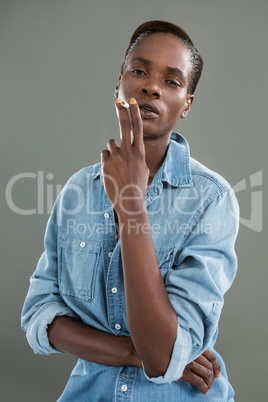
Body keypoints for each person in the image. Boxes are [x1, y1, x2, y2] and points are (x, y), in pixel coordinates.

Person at [21, 20, 239, 401]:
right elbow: (40, 316)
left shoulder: (212, 199)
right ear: (118, 83)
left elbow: (161, 358)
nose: (151, 85)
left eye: (172, 81)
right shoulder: (77, 190)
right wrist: (131, 353)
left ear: (186, 103)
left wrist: (132, 206)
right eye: (139, 70)